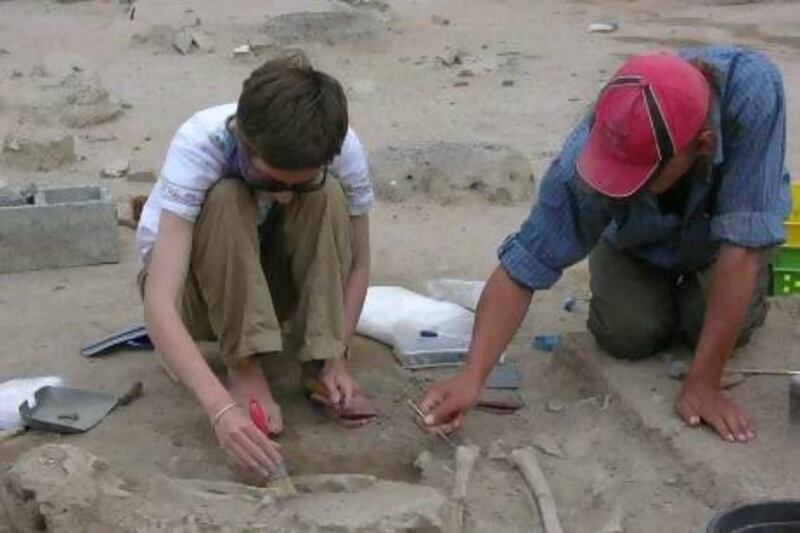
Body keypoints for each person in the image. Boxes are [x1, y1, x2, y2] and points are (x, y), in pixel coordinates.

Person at [418, 46, 791, 444]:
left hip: (719, 246)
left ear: (701, 145)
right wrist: (472, 377)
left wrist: (704, 382)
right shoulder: (592, 147)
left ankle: (715, 304)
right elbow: (526, 261)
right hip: (637, 244)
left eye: (640, 174)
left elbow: (742, 246)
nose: (621, 181)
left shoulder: (751, 91)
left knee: (706, 324)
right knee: (627, 335)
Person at [137, 53, 376, 479]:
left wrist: (338, 353)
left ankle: (318, 363)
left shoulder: (337, 146)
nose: (284, 197)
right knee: (227, 197)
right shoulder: (200, 143)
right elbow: (159, 303)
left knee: (328, 196)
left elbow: (359, 262)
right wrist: (221, 408)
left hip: (272, 290)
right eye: (270, 181)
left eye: (297, 184)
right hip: (200, 302)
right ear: (241, 137)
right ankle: (244, 365)